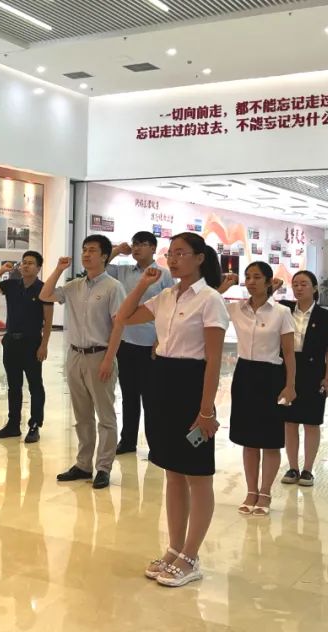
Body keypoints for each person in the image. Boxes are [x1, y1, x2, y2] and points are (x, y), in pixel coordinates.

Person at [114, 232, 229, 587]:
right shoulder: (165, 296)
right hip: (161, 382)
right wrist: (142, 285)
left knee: (198, 474)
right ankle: (175, 548)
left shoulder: (210, 300)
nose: (174, 259)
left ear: (200, 258)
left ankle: (191, 556)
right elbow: (123, 317)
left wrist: (206, 410)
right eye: (171, 254)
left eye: (181, 253)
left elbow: (213, 360)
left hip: (192, 385)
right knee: (173, 472)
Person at [40, 235, 126, 490]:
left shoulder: (113, 287)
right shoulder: (74, 286)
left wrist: (109, 359)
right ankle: (83, 464)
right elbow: (45, 294)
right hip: (75, 355)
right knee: (82, 415)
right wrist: (58, 269)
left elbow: (118, 326)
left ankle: (104, 467)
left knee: (105, 416)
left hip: (100, 355)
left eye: (92, 250)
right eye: (84, 250)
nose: (86, 254)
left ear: (104, 256)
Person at [217, 262, 296, 517]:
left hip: (272, 376)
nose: (251, 282)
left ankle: (265, 492)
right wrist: (223, 287)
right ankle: (251, 491)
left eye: (257, 277)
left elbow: (289, 353)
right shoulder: (236, 308)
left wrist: (290, 385)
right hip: (244, 374)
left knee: (270, 441)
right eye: (248, 277)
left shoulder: (281, 312)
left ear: (268, 281)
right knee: (249, 440)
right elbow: (207, 304)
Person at [107, 231, 175, 454]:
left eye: (142, 244)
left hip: (151, 345)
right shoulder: (123, 271)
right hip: (125, 342)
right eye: (134, 244)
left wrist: (160, 339)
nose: (136, 248)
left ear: (153, 248)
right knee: (129, 396)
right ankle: (128, 441)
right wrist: (118, 250)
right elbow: (100, 267)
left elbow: (169, 311)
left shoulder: (164, 275)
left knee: (152, 398)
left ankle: (156, 444)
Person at [0, 252, 53, 444]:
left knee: (35, 385)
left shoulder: (44, 289)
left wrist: (44, 345)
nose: (26, 266)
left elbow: (48, 320)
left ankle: (35, 424)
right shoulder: (12, 285)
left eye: (31, 263)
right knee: (13, 385)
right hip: (11, 342)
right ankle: (13, 424)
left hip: (32, 343)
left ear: (38, 268)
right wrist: (2, 270)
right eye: (24, 263)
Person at [278, 271, 328, 488]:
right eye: (295, 284)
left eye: (304, 284)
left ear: (314, 288)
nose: (299, 288)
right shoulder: (284, 310)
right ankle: (293, 467)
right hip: (287, 370)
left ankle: (308, 470)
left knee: (311, 422)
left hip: (313, 373)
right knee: (290, 421)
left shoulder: (326, 316)